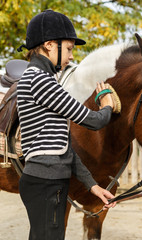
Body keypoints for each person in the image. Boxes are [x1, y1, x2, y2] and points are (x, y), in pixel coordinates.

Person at [16, 10, 116, 240]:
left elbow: (63, 149)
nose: (71, 56)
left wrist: (93, 186)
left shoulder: (46, 79)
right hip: (45, 183)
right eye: (69, 48)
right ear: (50, 45)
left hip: (49, 182)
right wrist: (107, 104)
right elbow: (93, 120)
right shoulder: (39, 80)